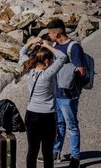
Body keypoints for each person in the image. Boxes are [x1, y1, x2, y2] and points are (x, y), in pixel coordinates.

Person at [19, 37, 67, 168]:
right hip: (47, 115)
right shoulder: (47, 74)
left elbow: (22, 53)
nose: (52, 62)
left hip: (31, 114)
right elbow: (62, 57)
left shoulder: (28, 70)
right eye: (50, 60)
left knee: (32, 150)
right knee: (47, 151)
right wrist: (48, 45)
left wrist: (32, 42)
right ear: (46, 61)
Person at [47, 19, 84, 168]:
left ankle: (75, 157)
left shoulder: (74, 47)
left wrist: (68, 79)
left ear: (56, 33)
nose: (48, 36)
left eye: (50, 33)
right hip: (56, 92)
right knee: (59, 124)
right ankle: (56, 152)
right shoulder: (55, 45)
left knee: (72, 125)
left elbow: (80, 70)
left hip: (68, 95)